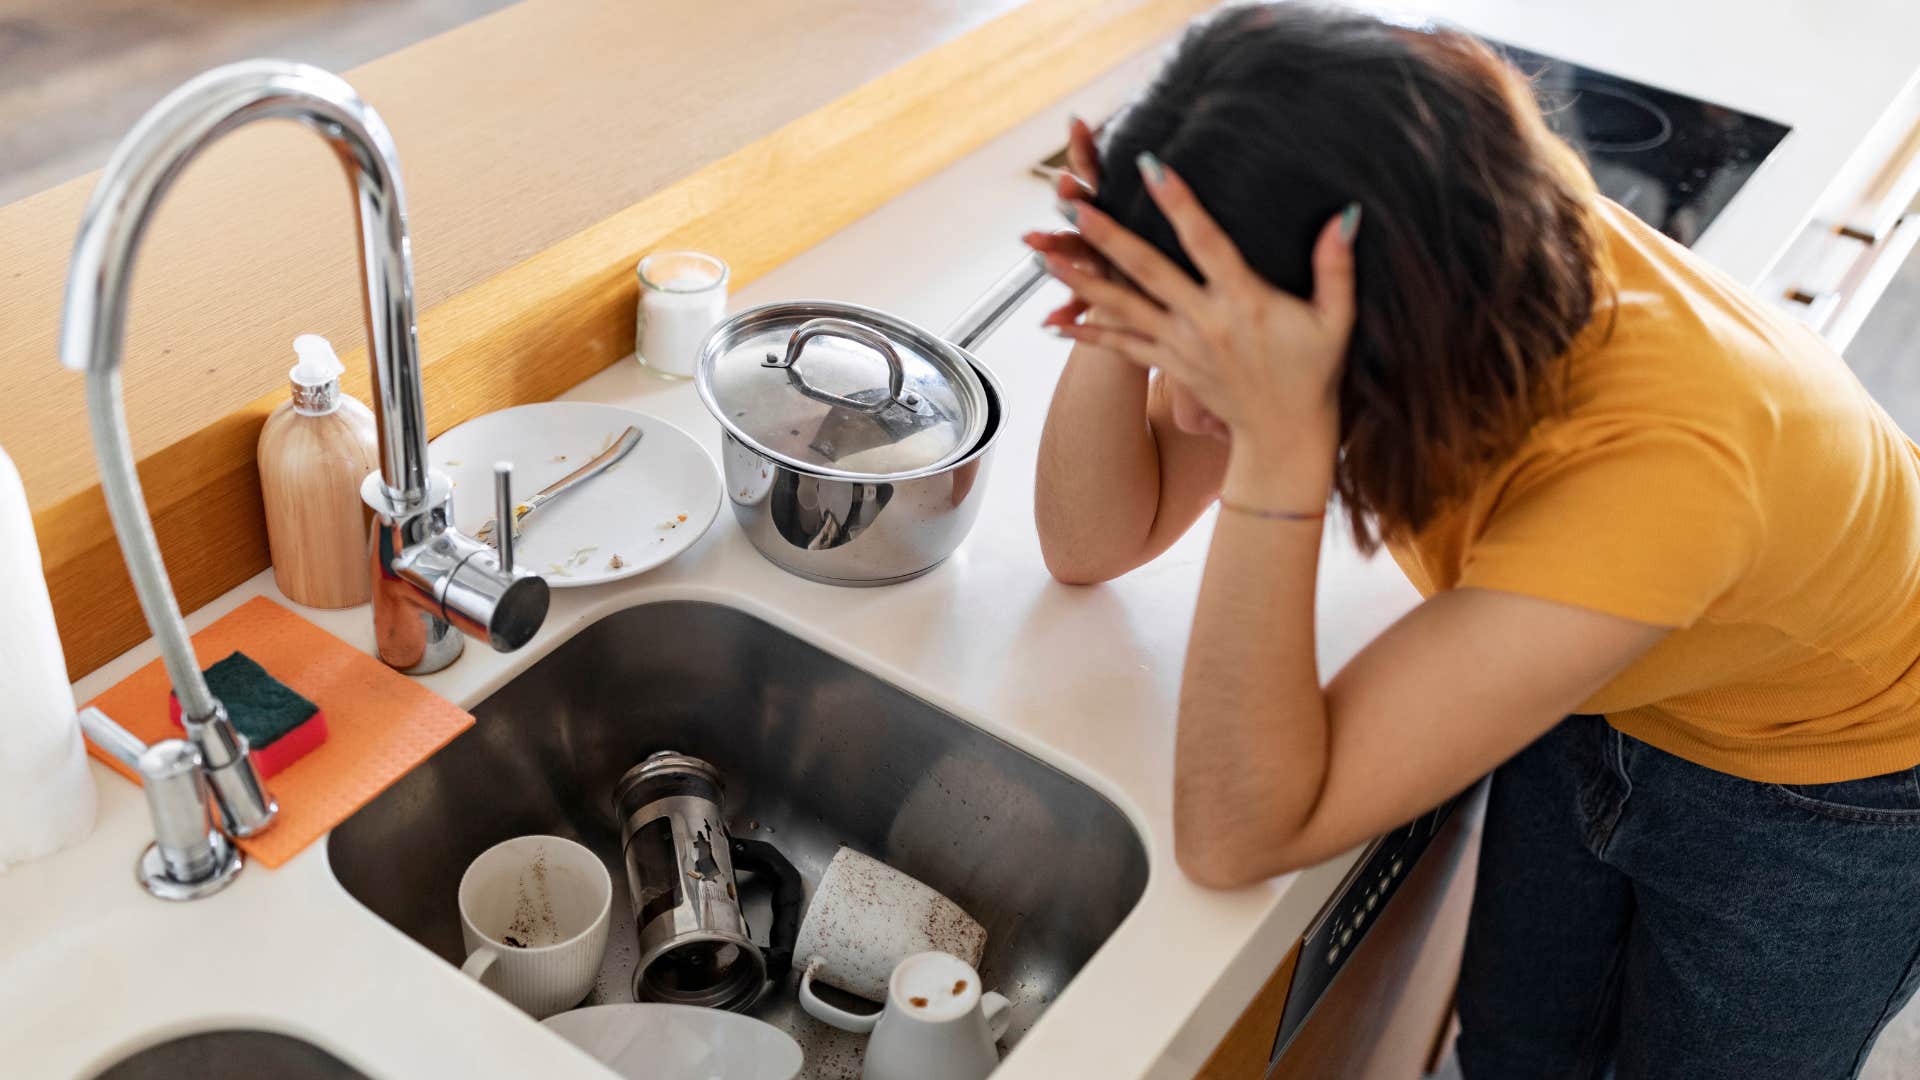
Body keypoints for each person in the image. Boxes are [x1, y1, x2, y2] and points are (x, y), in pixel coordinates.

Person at [1027, 5, 1920, 1078]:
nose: (1195, 409)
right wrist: (1117, 304)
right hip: (1613, 664)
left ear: (1377, 332)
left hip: (1834, 780)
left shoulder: (1659, 472)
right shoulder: (1425, 228)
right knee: (1517, 1051)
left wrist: (1279, 442)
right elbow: (1093, 540)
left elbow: (1236, 835)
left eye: (1221, 362)